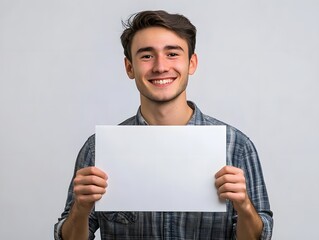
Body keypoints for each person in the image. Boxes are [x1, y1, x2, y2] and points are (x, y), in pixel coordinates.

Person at [54, 10, 273, 240]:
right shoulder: (98, 149)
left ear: (192, 63)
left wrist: (245, 206)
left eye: (172, 54)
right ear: (130, 67)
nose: (160, 67)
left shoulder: (236, 146)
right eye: (146, 56)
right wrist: (81, 208)